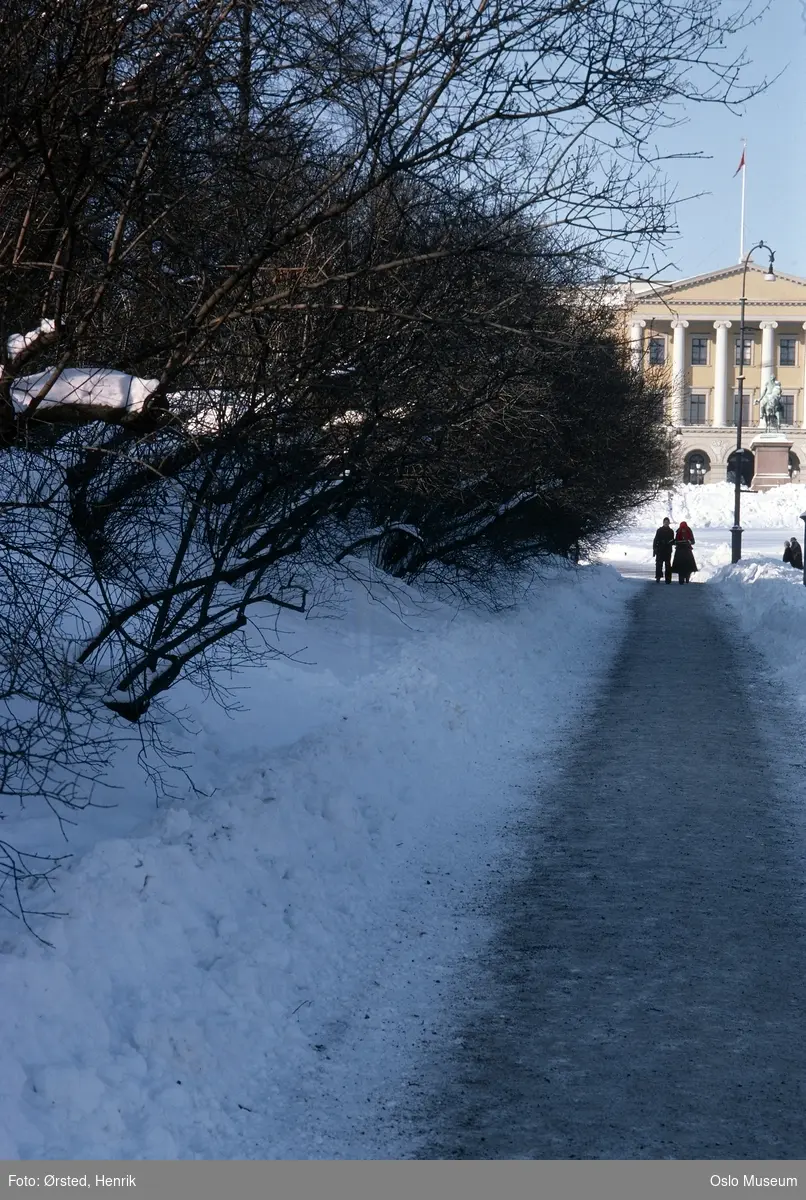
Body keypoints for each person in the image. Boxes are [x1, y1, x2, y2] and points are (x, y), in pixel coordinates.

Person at [652, 517, 675, 583]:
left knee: (668, 565)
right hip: (660, 550)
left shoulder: (671, 531)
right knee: (659, 564)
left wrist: (672, 542)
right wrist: (654, 549)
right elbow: (655, 540)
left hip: (668, 550)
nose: (666, 523)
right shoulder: (659, 530)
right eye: (665, 522)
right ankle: (658, 577)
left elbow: (672, 540)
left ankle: (668, 579)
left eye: (667, 522)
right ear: (663, 522)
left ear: (669, 523)